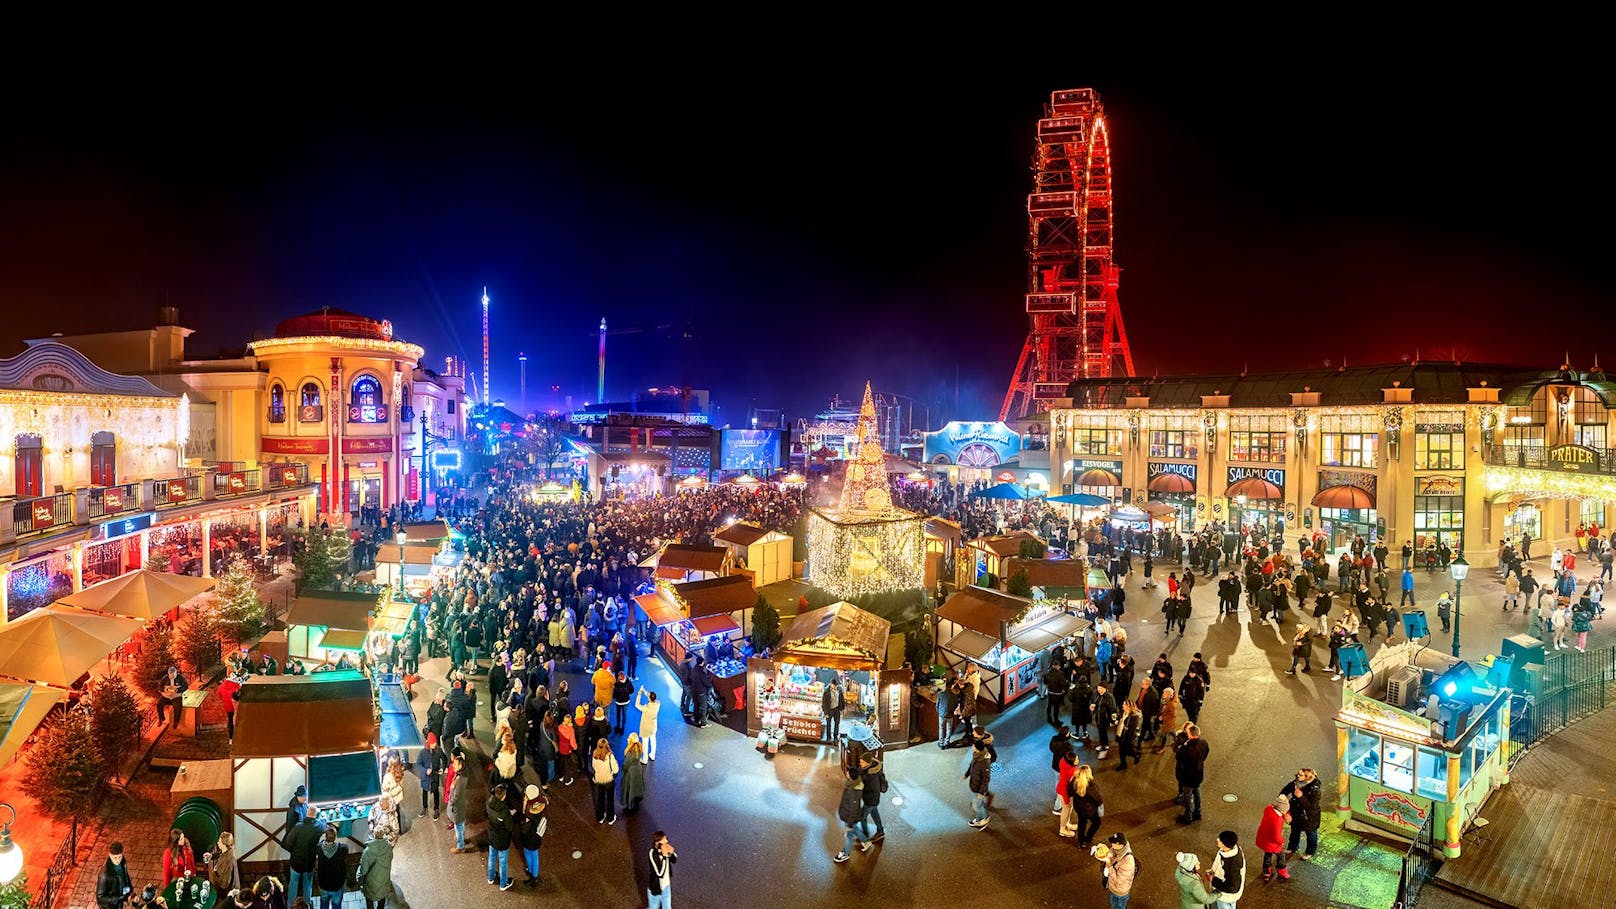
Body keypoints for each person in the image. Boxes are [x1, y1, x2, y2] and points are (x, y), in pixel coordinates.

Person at [1281, 768, 1322, 859]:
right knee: (1295, 831)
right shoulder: (1296, 783)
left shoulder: (1315, 790)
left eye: (1300, 775)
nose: (1297, 776)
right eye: (1297, 774)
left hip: (1309, 818)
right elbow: (1285, 790)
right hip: (1297, 813)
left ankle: (1310, 852)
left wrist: (1301, 796)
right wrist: (1282, 799)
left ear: (1307, 777)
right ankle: (1292, 847)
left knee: (1311, 835)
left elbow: (1312, 807)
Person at [833, 771, 872, 863]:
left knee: (849, 835)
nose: (846, 773)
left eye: (848, 773)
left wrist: (849, 824)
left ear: (851, 776)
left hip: (849, 817)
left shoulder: (853, 791)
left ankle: (845, 854)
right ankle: (866, 841)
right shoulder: (852, 785)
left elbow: (854, 810)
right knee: (854, 830)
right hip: (849, 816)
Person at [1175, 723, 1209, 823]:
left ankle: (1188, 816)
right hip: (1199, 773)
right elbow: (1206, 753)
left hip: (1188, 776)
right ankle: (1197, 812)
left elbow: (1178, 757)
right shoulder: (1203, 743)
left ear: (1190, 735)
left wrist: (1182, 747)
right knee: (1197, 791)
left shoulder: (1186, 748)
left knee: (1188, 795)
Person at [283, 813, 320, 901]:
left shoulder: (298, 826)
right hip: (309, 864)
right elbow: (323, 825)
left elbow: (288, 842)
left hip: (296, 862)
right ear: (315, 816)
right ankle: (306, 905)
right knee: (307, 886)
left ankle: (291, 906)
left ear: (306, 814)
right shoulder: (318, 827)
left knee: (293, 885)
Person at [1094, 831, 1137, 908]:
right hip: (1113, 887)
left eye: (1113, 843)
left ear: (1119, 845)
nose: (1111, 845)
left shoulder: (1128, 862)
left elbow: (1118, 881)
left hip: (1119, 892)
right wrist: (1103, 847)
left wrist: (1109, 864)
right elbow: (1111, 852)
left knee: (1117, 906)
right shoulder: (1118, 849)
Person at [485, 783, 516, 890]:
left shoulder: (489, 803)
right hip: (502, 840)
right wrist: (511, 815)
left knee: (492, 857)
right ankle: (503, 883)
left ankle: (491, 877)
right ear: (503, 796)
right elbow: (510, 827)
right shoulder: (504, 812)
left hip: (492, 836)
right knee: (503, 862)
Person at [1256, 795, 1291, 882]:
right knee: (1281, 856)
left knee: (1267, 855)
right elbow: (1276, 837)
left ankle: (1266, 872)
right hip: (1272, 843)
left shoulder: (1269, 809)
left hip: (1264, 839)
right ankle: (1282, 871)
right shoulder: (1278, 820)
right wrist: (1282, 841)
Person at [357, 831, 394, 909]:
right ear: (383, 835)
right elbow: (390, 859)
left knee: (369, 899)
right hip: (384, 878)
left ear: (373, 835)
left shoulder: (367, 851)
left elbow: (363, 871)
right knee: (382, 897)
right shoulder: (388, 847)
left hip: (371, 883)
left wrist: (359, 878)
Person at [519, 787, 548, 887]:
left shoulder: (529, 811)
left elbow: (524, 830)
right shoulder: (543, 803)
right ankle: (533, 875)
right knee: (534, 855)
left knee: (528, 853)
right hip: (537, 836)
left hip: (529, 837)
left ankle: (532, 874)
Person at [1210, 831, 1246, 908]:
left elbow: (1233, 887)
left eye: (1220, 839)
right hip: (1221, 890)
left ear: (1226, 845)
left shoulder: (1233, 863)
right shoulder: (1228, 850)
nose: (1217, 839)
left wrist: (1213, 880)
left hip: (1226, 896)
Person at [1070, 763, 1104, 847]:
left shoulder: (1073, 782)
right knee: (1097, 822)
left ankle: (1081, 841)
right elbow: (1098, 798)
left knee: (1082, 823)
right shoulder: (1091, 786)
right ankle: (1088, 837)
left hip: (1078, 808)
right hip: (1090, 810)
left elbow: (1069, 792)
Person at [313, 827, 348, 909]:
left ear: (325, 837)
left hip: (323, 883)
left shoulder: (319, 847)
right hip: (337, 884)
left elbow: (319, 844)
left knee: (324, 904)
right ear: (335, 837)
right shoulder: (343, 848)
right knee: (336, 905)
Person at [858, 751, 887, 843]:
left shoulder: (871, 776)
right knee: (875, 814)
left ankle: (864, 836)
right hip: (872, 800)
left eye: (862, 762)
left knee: (862, 817)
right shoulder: (869, 770)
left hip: (870, 800)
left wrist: (860, 787)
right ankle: (880, 831)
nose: (860, 763)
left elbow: (873, 789)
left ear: (867, 763)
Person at [590, 738, 620, 824]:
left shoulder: (594, 755)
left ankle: (600, 817)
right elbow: (615, 770)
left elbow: (594, 767)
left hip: (599, 780)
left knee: (600, 798)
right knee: (610, 800)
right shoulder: (610, 756)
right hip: (609, 780)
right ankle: (610, 818)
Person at [414, 732, 444, 819]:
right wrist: (425, 770)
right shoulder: (423, 753)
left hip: (434, 777)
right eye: (433, 743)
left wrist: (442, 767)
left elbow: (444, 759)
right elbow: (418, 764)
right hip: (425, 778)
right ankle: (424, 807)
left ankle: (436, 808)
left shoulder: (438, 750)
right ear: (429, 743)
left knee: (435, 792)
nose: (435, 744)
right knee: (424, 792)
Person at [96, 842, 133, 909]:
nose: (118, 860)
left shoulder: (123, 863)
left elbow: (125, 876)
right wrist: (118, 899)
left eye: (119, 857)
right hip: (110, 906)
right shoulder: (104, 875)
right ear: (110, 855)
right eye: (115, 857)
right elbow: (100, 898)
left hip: (119, 901)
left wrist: (129, 891)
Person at [646, 831, 678, 909]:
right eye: (664, 839)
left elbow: (674, 861)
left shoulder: (665, 848)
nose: (666, 841)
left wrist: (672, 853)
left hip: (666, 887)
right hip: (655, 889)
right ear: (658, 842)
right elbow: (659, 874)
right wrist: (664, 856)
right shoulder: (652, 853)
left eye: (666, 838)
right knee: (653, 907)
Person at [447, 753, 472, 853]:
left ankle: (460, 846)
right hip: (460, 806)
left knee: (459, 826)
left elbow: (456, 796)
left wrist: (451, 802)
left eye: (456, 764)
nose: (453, 765)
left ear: (460, 766)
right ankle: (460, 837)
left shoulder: (460, 779)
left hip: (457, 807)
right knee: (460, 825)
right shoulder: (462, 775)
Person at [966, 738, 993, 829]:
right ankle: (983, 817)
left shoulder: (985, 762)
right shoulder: (977, 755)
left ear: (977, 748)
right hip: (974, 785)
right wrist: (967, 774)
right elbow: (971, 765)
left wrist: (982, 793)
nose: (972, 747)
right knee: (977, 804)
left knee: (977, 806)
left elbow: (986, 779)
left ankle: (981, 820)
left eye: (973, 746)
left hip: (978, 788)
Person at [621, 734, 647, 814]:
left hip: (630, 773)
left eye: (629, 738)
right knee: (636, 787)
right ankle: (636, 802)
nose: (627, 739)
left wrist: (623, 770)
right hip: (638, 770)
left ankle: (630, 807)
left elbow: (625, 765)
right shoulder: (638, 749)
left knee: (630, 789)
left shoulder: (629, 753)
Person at [635, 686, 660, 761]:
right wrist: (645, 691)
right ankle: (652, 755)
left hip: (646, 727)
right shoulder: (658, 704)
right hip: (653, 726)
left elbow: (637, 705)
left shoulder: (646, 708)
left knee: (645, 743)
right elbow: (650, 696)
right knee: (653, 740)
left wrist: (639, 694)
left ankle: (645, 759)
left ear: (649, 698)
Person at [822, 674, 846, 741]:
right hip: (829, 710)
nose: (836, 686)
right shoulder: (826, 692)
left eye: (836, 685)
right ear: (831, 684)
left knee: (837, 723)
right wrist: (826, 713)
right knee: (828, 724)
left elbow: (842, 699)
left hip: (837, 709)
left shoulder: (839, 689)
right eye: (834, 685)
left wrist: (842, 709)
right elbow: (824, 703)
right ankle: (828, 737)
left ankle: (835, 736)